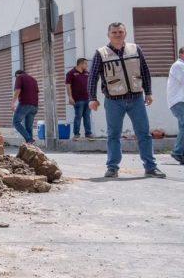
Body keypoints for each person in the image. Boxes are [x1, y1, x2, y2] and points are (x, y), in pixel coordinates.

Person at [88, 22, 166, 178]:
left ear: (125, 33)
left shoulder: (135, 49)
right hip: (113, 100)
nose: (117, 35)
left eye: (120, 32)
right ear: (108, 35)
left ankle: (150, 167)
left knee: (144, 133)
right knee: (113, 135)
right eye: (114, 32)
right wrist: (92, 98)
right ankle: (112, 168)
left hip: (136, 98)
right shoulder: (101, 53)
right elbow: (92, 77)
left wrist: (149, 93)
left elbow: (145, 71)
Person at [65, 58, 94, 140]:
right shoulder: (71, 73)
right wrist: (70, 97)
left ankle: (88, 133)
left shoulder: (87, 73)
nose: (87, 65)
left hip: (88, 98)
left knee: (87, 116)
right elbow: (68, 86)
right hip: (78, 99)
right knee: (78, 116)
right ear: (80, 64)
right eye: (85, 64)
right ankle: (76, 134)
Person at [165, 47, 184, 164]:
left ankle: (180, 153)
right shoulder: (178, 65)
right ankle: (177, 152)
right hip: (178, 102)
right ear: (182, 54)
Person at [12, 69, 39, 144]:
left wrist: (13, 103)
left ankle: (29, 139)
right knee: (28, 126)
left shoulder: (19, 77)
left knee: (16, 122)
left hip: (25, 104)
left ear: (17, 75)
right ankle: (30, 144)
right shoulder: (33, 80)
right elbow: (36, 93)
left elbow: (17, 90)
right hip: (34, 106)